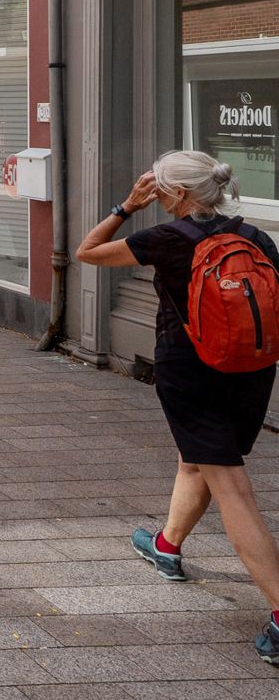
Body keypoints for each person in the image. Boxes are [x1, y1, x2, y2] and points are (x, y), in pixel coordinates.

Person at [76, 149, 279, 666]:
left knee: (230, 485)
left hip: (193, 374)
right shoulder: (255, 238)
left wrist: (125, 206)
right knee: (200, 461)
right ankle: (167, 545)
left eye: (160, 187)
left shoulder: (166, 239)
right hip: (253, 373)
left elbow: (87, 251)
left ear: (177, 195)